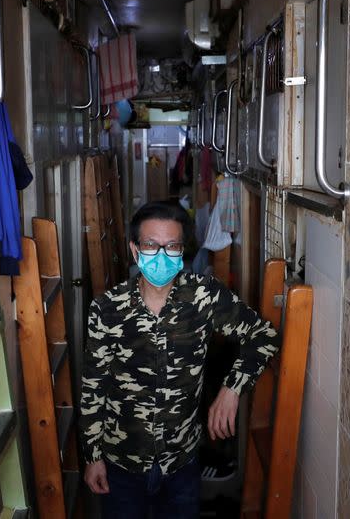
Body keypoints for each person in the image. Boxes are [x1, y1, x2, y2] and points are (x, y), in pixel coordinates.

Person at [79, 201, 280, 518]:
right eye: (151, 245)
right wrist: (92, 457)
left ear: (182, 252)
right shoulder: (107, 308)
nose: (161, 255)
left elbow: (263, 335)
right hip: (121, 464)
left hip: (182, 465)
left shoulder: (204, 296)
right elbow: (94, 388)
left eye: (171, 247)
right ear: (135, 251)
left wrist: (231, 390)